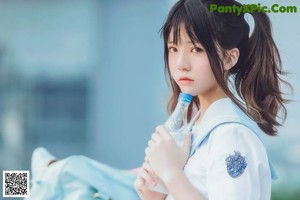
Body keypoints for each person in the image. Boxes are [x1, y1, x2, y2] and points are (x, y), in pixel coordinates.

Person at [27, 0, 290, 199]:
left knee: (67, 178)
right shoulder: (195, 125)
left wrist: (171, 173)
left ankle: (40, 174)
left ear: (229, 58)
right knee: (67, 178)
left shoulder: (232, 137)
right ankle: (37, 175)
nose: (180, 63)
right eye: (173, 49)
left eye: (196, 49)